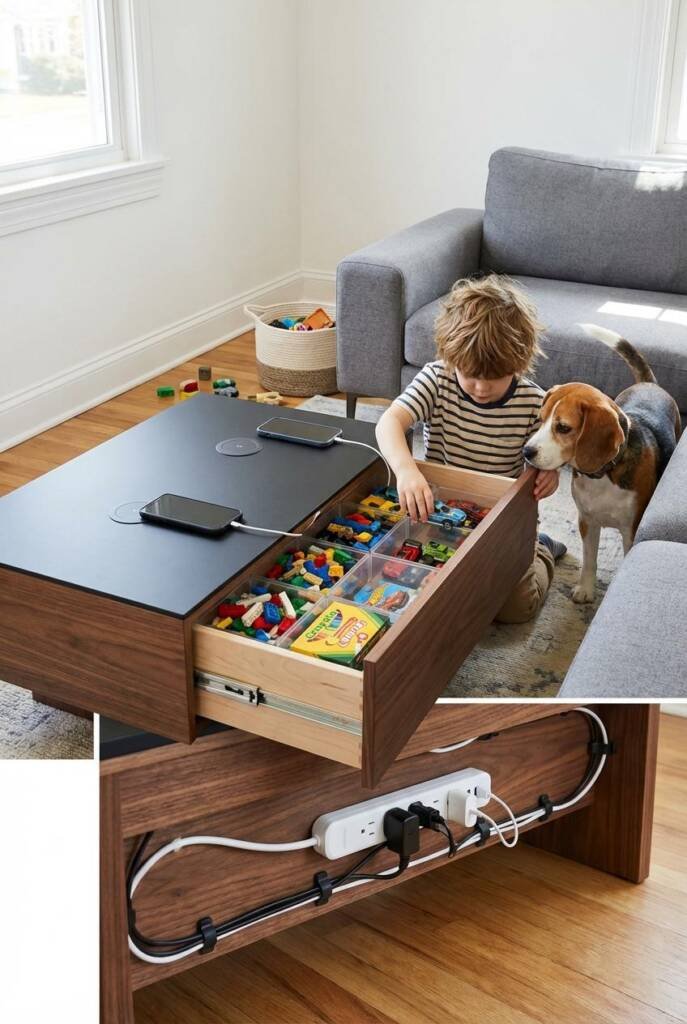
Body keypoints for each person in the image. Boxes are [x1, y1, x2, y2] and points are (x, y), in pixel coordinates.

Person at [375, 274, 565, 623]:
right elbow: (389, 423)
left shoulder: (534, 402)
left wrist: (548, 474)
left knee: (513, 610)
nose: (479, 387)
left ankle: (544, 551)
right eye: (468, 373)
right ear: (451, 358)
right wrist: (405, 470)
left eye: (493, 377)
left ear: (518, 363)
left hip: (501, 520)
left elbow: (548, 456)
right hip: (441, 513)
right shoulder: (437, 379)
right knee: (416, 582)